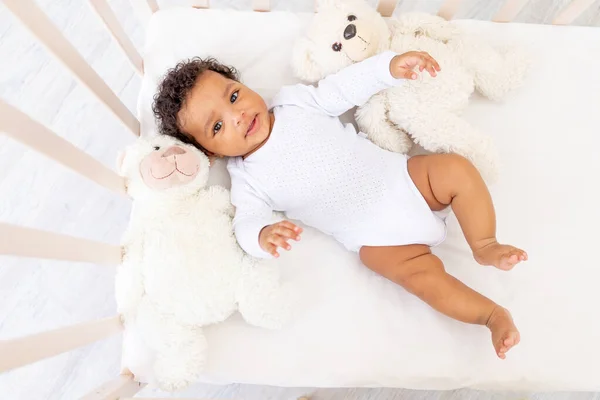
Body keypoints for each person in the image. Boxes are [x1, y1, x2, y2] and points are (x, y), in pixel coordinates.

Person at [152, 50, 527, 359]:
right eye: (217, 127)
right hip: (380, 241)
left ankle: (484, 244)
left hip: (407, 183)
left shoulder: (295, 103)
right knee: (421, 280)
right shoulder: (247, 179)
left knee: (455, 169)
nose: (237, 116)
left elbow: (344, 88)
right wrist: (263, 235)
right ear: (210, 153)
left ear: (243, 85)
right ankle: (491, 315)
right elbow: (245, 225)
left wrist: (389, 68)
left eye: (233, 96)